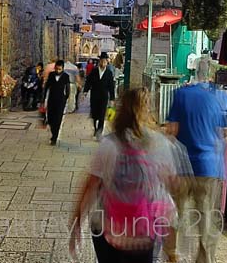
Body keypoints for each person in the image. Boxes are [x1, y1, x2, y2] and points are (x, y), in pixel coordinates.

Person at [70, 88, 176, 263]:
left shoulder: (109, 144)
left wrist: (77, 220)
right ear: (148, 111)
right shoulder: (160, 144)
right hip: (143, 232)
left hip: (108, 228)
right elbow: (170, 186)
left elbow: (91, 185)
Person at [165, 56, 227, 263]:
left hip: (182, 166)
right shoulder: (216, 99)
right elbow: (221, 135)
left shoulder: (181, 94)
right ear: (209, 74)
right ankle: (204, 258)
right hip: (208, 167)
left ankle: (173, 255)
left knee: (177, 213)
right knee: (206, 216)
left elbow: (173, 131)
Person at [84, 52, 116, 140]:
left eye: (105, 61)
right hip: (94, 95)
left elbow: (111, 86)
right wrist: (85, 91)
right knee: (94, 114)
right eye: (102, 61)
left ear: (107, 62)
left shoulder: (109, 73)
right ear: (99, 61)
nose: (103, 63)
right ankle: (95, 128)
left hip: (104, 96)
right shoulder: (94, 71)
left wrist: (112, 98)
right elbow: (88, 81)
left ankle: (99, 131)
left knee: (102, 114)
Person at [44, 59, 70, 145]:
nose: (58, 70)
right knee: (51, 119)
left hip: (60, 100)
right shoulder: (51, 75)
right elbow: (47, 87)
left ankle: (54, 137)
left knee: (58, 119)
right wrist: (43, 98)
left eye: (59, 69)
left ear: (62, 68)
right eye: (57, 69)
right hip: (51, 100)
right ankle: (53, 132)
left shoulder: (66, 76)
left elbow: (67, 88)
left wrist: (66, 98)